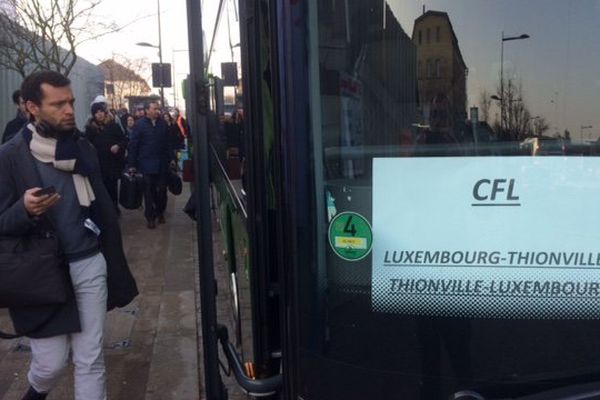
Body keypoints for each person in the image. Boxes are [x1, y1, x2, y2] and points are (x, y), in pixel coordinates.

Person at [0, 70, 138, 400]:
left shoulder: (83, 147)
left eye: (71, 102)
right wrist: (24, 209)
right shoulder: (9, 156)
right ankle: (34, 394)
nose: (68, 110)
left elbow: (101, 206)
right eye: (58, 103)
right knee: (51, 364)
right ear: (31, 107)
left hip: (90, 263)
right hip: (41, 273)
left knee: (90, 359)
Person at [127, 101, 176, 229]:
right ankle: (150, 217)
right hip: (146, 164)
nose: (157, 111)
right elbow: (133, 146)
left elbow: (168, 143)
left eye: (158, 109)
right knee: (148, 192)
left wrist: (172, 158)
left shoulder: (163, 124)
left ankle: (160, 211)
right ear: (147, 110)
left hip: (161, 164)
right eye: (154, 109)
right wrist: (132, 164)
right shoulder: (139, 125)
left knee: (161, 190)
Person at [85, 103, 129, 215]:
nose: (99, 114)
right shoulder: (90, 129)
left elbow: (124, 140)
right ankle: (105, 211)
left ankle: (114, 209)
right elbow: (86, 145)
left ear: (105, 113)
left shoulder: (113, 126)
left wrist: (118, 146)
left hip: (112, 164)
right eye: (96, 112)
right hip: (98, 165)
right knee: (101, 190)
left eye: (101, 111)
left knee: (112, 188)